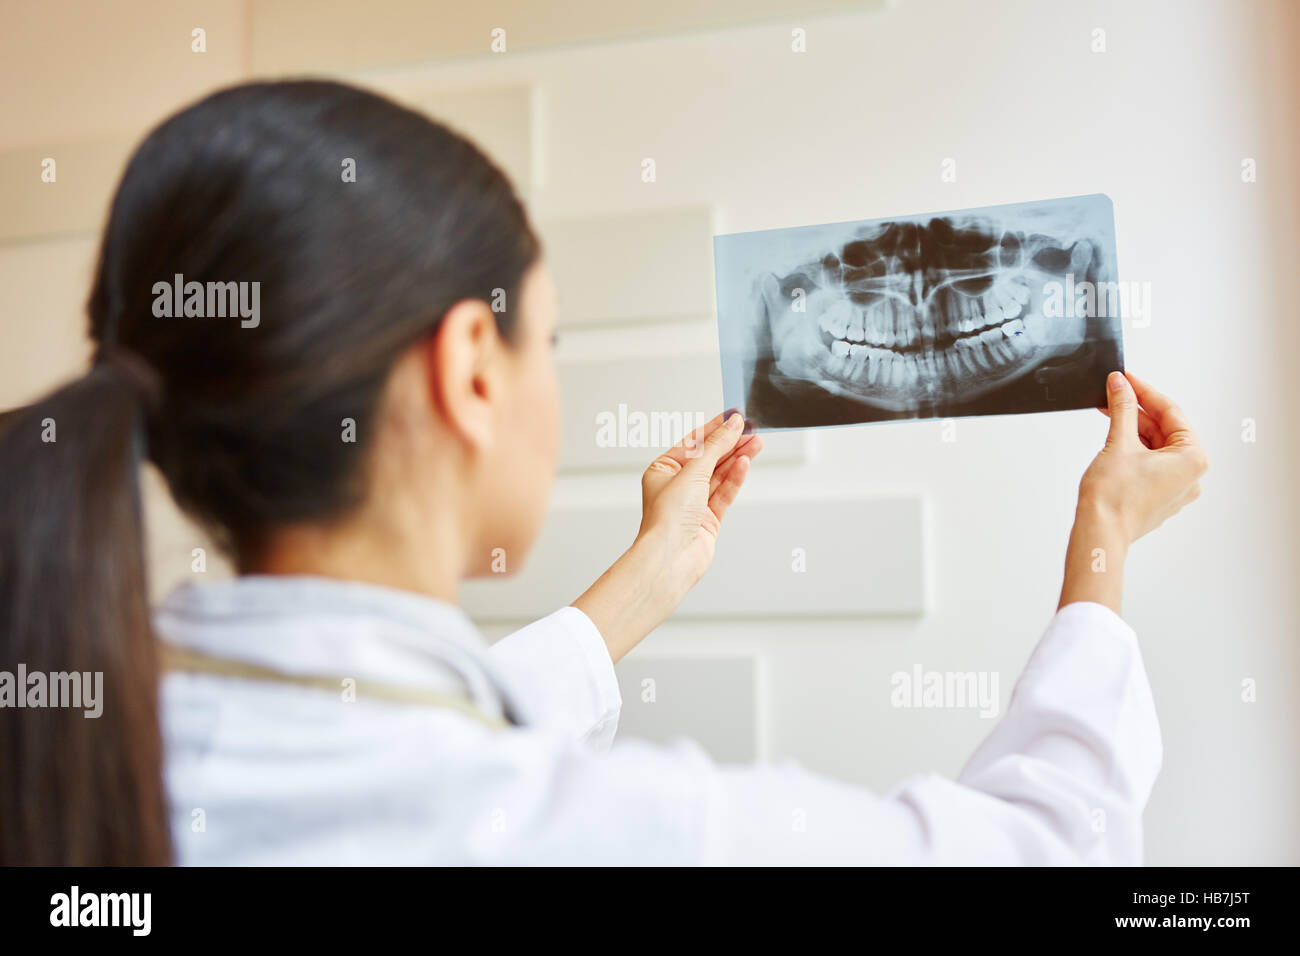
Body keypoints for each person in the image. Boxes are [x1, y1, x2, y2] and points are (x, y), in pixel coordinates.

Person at [0, 80, 1208, 866]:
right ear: (472, 365)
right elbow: (1053, 850)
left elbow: (386, 723)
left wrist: (641, 580)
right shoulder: (623, 834)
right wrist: (1101, 547)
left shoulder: (78, 744)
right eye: (551, 334)